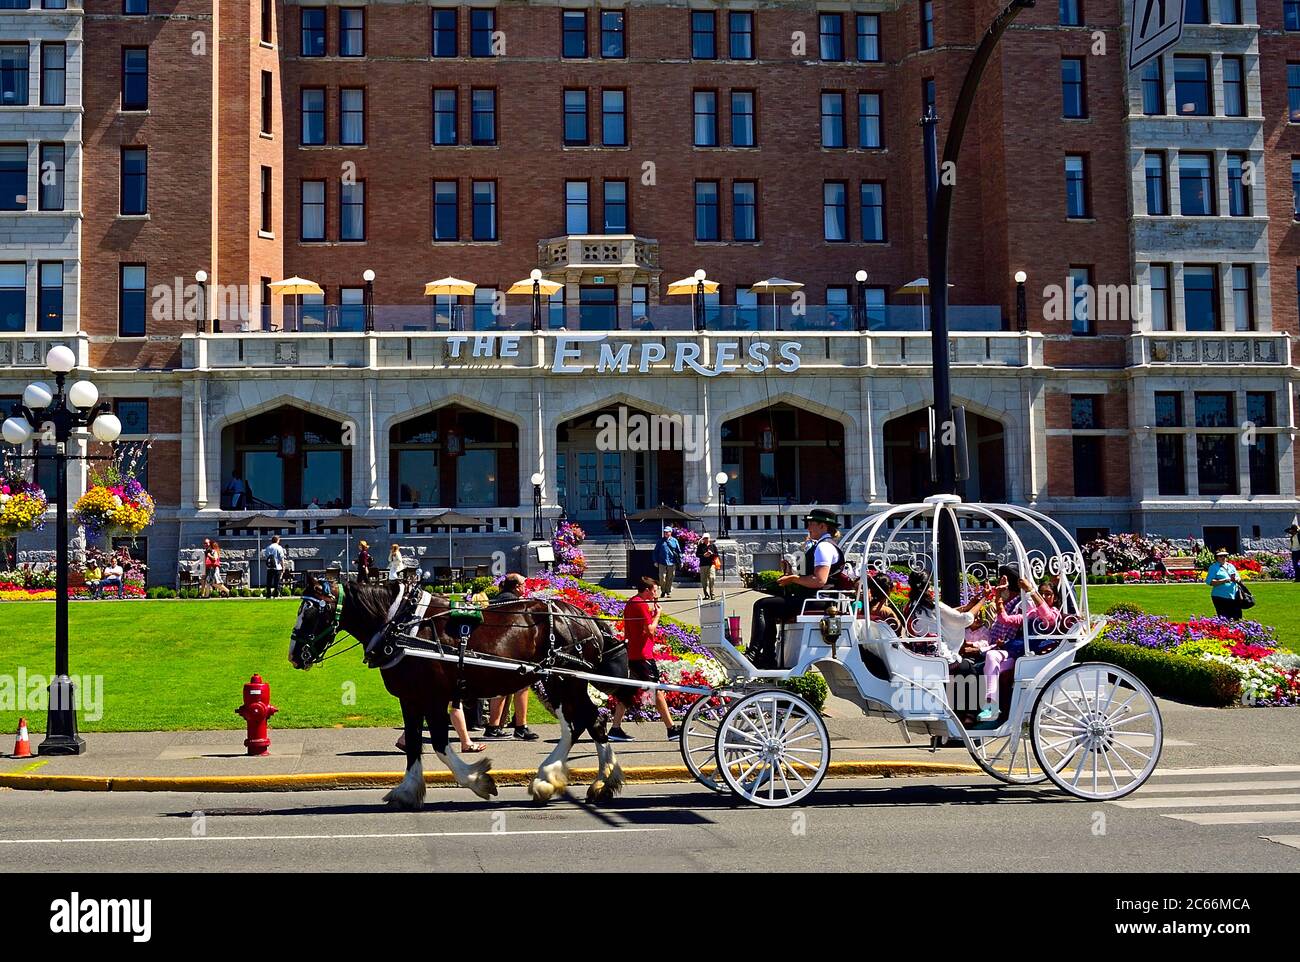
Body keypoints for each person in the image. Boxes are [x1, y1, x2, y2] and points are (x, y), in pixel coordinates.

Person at [748, 508, 844, 669]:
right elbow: (809, 578)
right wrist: (791, 574)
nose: (808, 528)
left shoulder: (824, 547)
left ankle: (756, 653)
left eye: (811, 524)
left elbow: (820, 580)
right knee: (769, 607)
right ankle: (766, 656)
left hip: (816, 600)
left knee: (762, 606)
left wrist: (793, 578)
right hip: (813, 598)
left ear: (823, 526)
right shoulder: (821, 545)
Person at [977, 577, 1059, 722]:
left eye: (1048, 594)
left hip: (1034, 657)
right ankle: (991, 706)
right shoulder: (1032, 614)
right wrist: (998, 596)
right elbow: (1005, 620)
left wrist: (1031, 591)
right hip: (1018, 653)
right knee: (991, 656)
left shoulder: (1054, 613)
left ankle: (998, 710)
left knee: (996, 667)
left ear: (1055, 597)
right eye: (1042, 594)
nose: (1044, 597)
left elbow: (1047, 617)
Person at [609, 576, 680, 741]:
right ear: (647, 590)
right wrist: (658, 615)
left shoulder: (632, 602)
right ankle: (671, 729)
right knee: (656, 690)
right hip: (643, 655)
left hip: (633, 653)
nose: (656, 593)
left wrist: (653, 612)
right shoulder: (640, 604)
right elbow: (650, 630)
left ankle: (615, 729)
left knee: (628, 692)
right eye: (655, 590)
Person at [481, 574, 540, 741]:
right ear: (516, 587)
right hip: (509, 650)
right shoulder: (516, 604)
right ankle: (521, 726)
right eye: (523, 584)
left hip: (493, 649)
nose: (525, 587)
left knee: (500, 689)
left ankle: (494, 727)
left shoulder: (496, 600)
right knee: (522, 686)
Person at [1205, 548, 1243, 621]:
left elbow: (1238, 577)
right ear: (1216, 557)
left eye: (1225, 556)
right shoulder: (1213, 567)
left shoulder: (1231, 566)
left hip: (1234, 595)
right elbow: (1209, 581)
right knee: (1224, 618)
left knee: (1237, 616)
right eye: (1221, 556)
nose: (1223, 558)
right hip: (1220, 596)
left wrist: (1237, 579)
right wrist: (1223, 581)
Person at [652, 527, 681, 598]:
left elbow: (678, 551)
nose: (666, 533)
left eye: (667, 532)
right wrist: (655, 561)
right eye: (665, 532)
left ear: (670, 532)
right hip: (662, 562)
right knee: (662, 577)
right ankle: (663, 590)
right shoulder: (660, 541)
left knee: (670, 577)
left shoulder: (674, 541)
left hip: (672, 562)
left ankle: (668, 591)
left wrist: (680, 561)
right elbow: (655, 552)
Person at [696, 533, 720, 600]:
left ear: (709, 538)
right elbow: (697, 554)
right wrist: (703, 555)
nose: (706, 539)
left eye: (707, 538)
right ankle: (706, 594)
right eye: (704, 538)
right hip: (703, 565)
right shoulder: (700, 546)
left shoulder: (712, 546)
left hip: (711, 564)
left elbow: (716, 554)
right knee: (704, 581)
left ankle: (712, 594)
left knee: (712, 578)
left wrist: (711, 554)